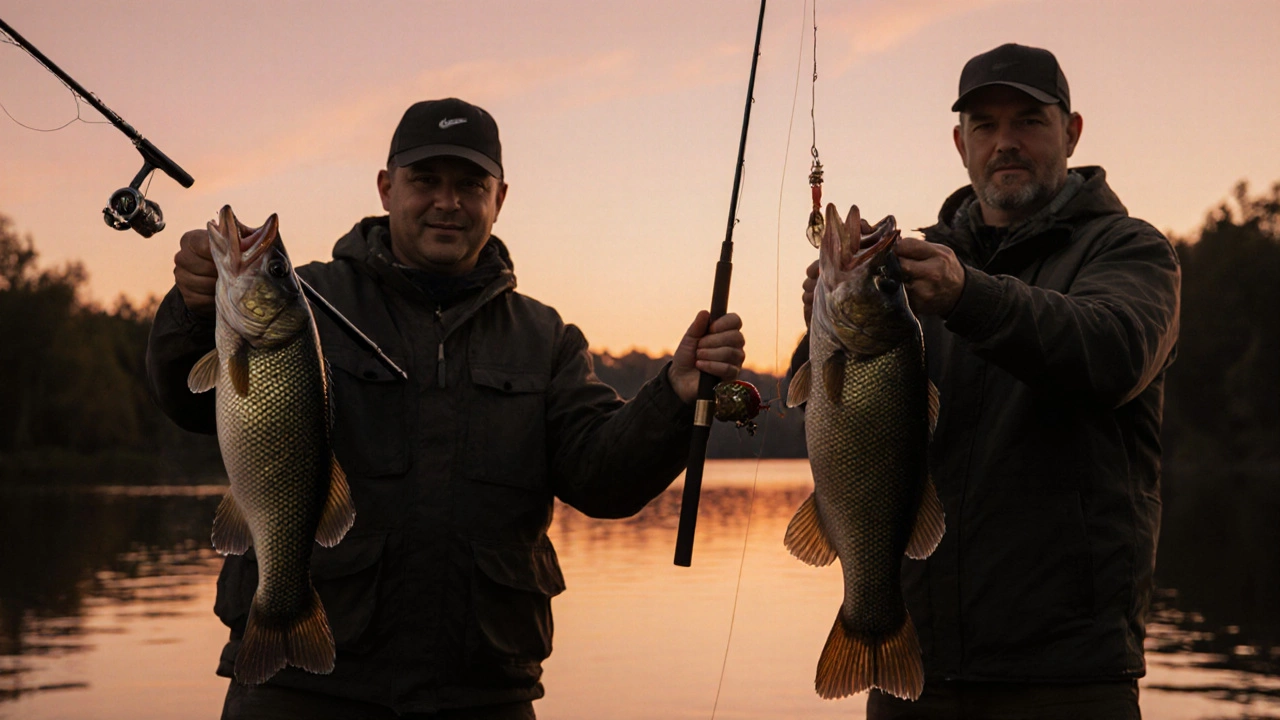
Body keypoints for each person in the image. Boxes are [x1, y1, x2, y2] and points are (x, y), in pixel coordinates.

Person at [146, 97, 746, 719]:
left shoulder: (545, 339)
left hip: (483, 694)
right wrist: (191, 309)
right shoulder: (308, 301)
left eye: (470, 185)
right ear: (385, 187)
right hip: (301, 692)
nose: (447, 202)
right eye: (425, 180)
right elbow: (185, 402)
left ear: (500, 198)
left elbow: (604, 480)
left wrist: (673, 396)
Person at [792, 44, 1180, 719]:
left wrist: (968, 295)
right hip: (919, 671)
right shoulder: (916, 272)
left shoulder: (1130, 251)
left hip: (1068, 680)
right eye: (984, 125)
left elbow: (1113, 353)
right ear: (959, 143)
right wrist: (822, 319)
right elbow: (847, 406)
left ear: (1072, 131)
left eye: (1029, 120)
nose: (1006, 142)